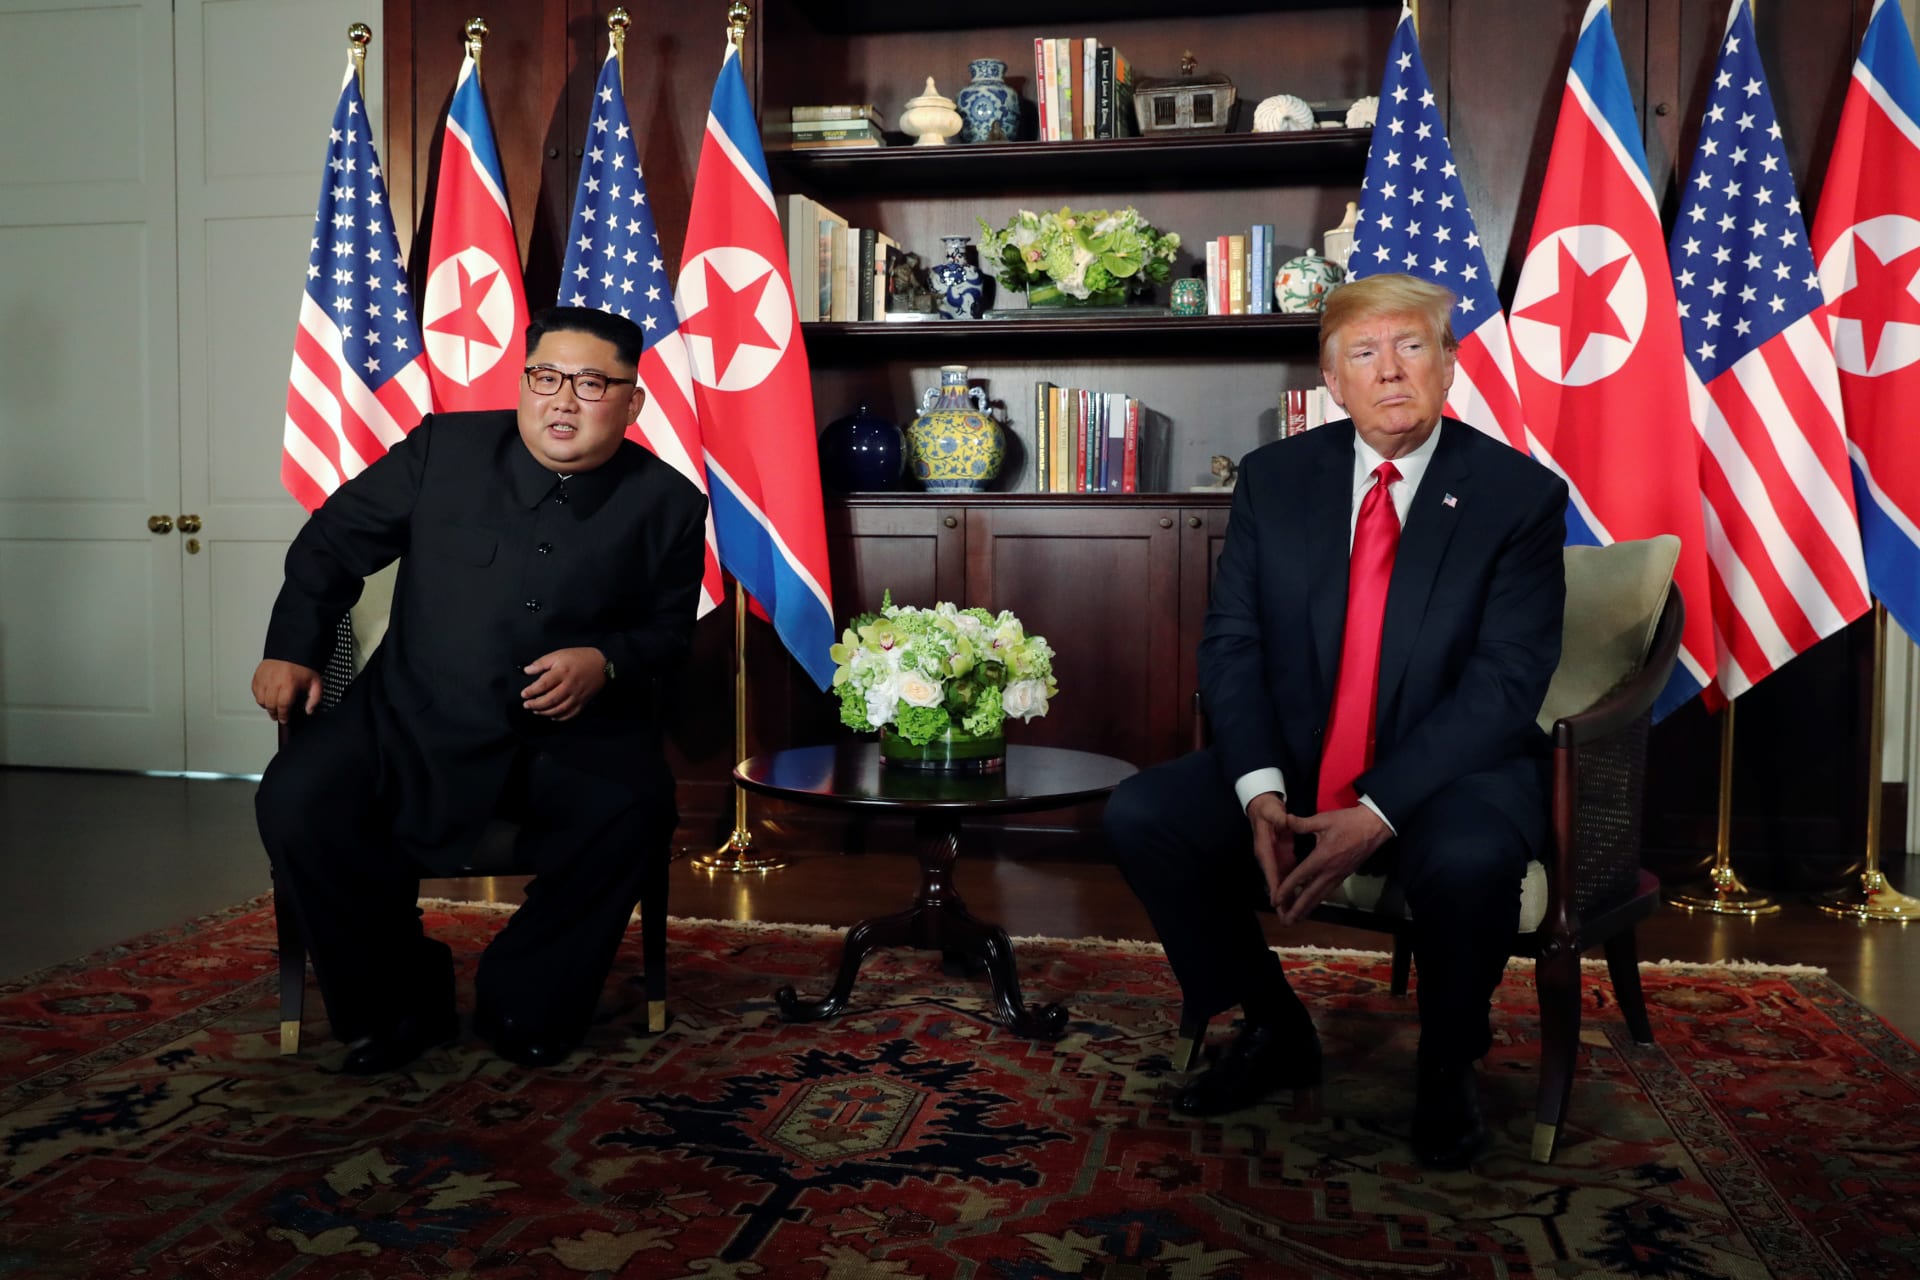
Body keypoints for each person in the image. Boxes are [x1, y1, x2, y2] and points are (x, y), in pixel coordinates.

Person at [1104, 273, 1567, 1168]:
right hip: (1303, 757)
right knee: (1143, 815)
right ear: (1332, 378)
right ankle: (1275, 1025)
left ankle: (1447, 1063)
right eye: (1365, 352)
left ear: (1449, 366)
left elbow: (1506, 685)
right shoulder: (1277, 480)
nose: (1390, 371)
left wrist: (1381, 809)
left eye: (1412, 347)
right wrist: (1259, 792)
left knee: (1470, 858)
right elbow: (1231, 643)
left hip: (1455, 771)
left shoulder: (1517, 497)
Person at [253, 306, 708, 1074]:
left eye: (592, 384)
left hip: (568, 733)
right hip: (411, 712)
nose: (564, 400)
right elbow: (330, 545)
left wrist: (606, 659)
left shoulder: (669, 502)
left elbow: (669, 633)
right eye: (547, 377)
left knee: (635, 808)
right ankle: (395, 1001)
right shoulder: (444, 450)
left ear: (633, 404)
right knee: (297, 798)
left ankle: (526, 997)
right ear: (524, 381)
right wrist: (292, 650)